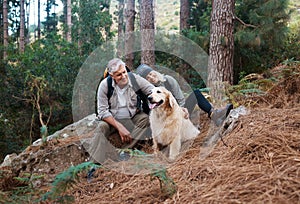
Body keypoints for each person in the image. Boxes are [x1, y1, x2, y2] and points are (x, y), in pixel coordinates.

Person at [88, 58, 155, 164]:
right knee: (101, 127)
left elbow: (153, 90)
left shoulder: (135, 79)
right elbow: (102, 111)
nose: (124, 76)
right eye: (119, 75)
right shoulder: (105, 85)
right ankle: (94, 164)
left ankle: (125, 152)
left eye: (124, 72)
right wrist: (120, 127)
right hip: (112, 119)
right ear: (112, 75)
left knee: (146, 119)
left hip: (132, 116)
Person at [135, 64, 233, 127]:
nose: (151, 77)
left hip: (180, 110)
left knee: (196, 93)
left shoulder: (168, 80)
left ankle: (214, 115)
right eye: (147, 77)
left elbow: (180, 99)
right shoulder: (149, 93)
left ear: (154, 72)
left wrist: (182, 111)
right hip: (165, 119)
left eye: (151, 74)